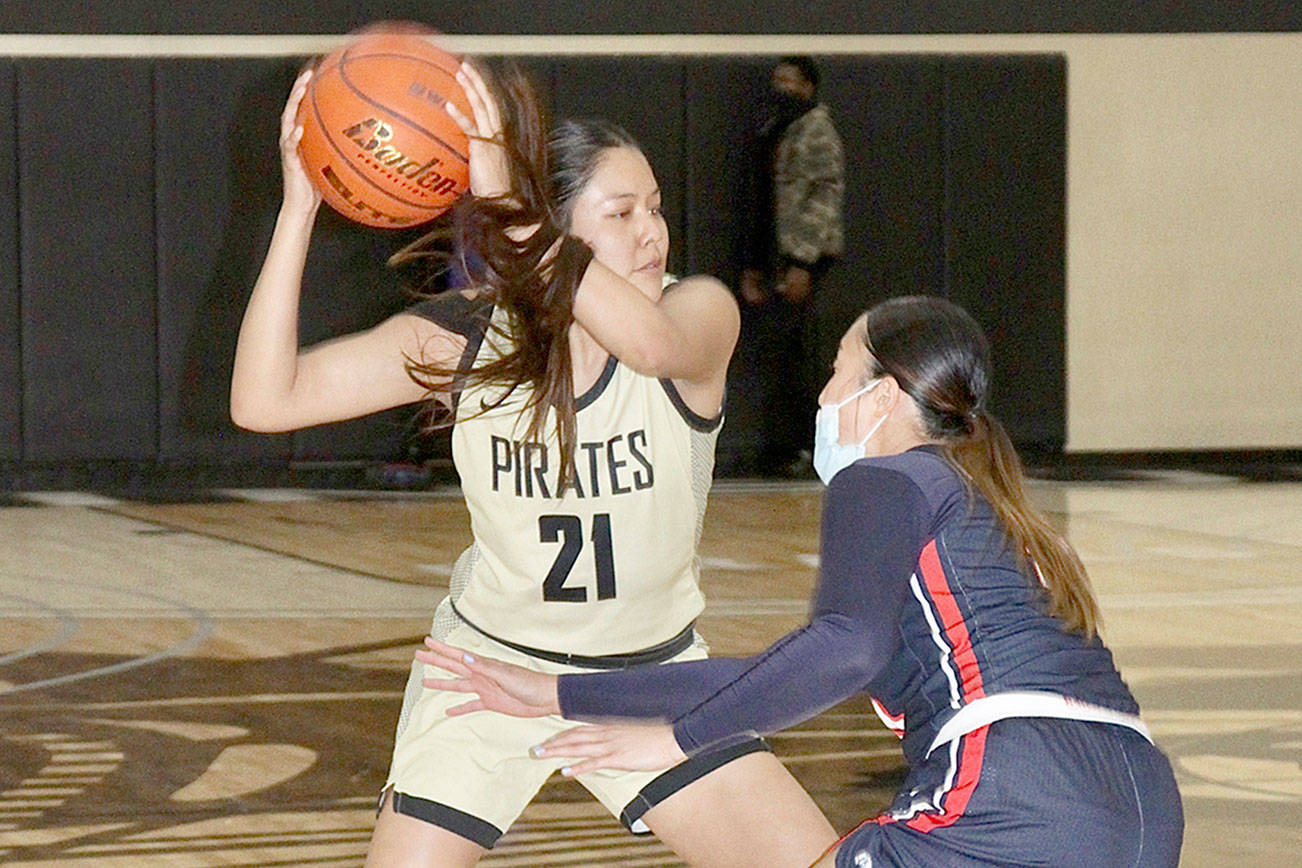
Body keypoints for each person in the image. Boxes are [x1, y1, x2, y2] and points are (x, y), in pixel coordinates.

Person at [230, 57, 835, 867]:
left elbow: (649, 346)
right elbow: (264, 402)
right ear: (556, 225)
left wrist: (514, 216)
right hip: (486, 676)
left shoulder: (698, 313)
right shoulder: (464, 341)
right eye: (620, 213)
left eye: (654, 208)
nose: (652, 230)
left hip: (646, 680)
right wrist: (301, 207)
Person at [415, 295, 1186, 867]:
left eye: (837, 371)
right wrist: (558, 692)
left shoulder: (887, 481)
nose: (822, 398)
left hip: (1015, 789)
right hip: (1144, 808)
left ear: (881, 396)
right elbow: (778, 673)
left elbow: (842, 650)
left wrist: (674, 744)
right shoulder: (997, 505)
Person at [737, 55, 845, 478]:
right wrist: (754, 264)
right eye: (775, 79)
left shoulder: (816, 129)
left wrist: (802, 263)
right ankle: (780, 448)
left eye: (790, 81)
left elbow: (824, 196)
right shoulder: (774, 128)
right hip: (773, 258)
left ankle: (809, 450)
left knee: (805, 358)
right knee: (777, 359)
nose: (780, 88)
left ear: (809, 87)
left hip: (804, 259)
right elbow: (760, 197)